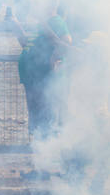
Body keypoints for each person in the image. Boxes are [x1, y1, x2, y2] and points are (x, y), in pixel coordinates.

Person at [11, 7, 74, 138]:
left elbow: (66, 41)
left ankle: (47, 147)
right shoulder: (41, 24)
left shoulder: (56, 22)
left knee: (45, 114)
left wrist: (55, 57)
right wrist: (16, 25)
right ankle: (39, 147)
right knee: (36, 114)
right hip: (31, 75)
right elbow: (26, 44)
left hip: (43, 76)